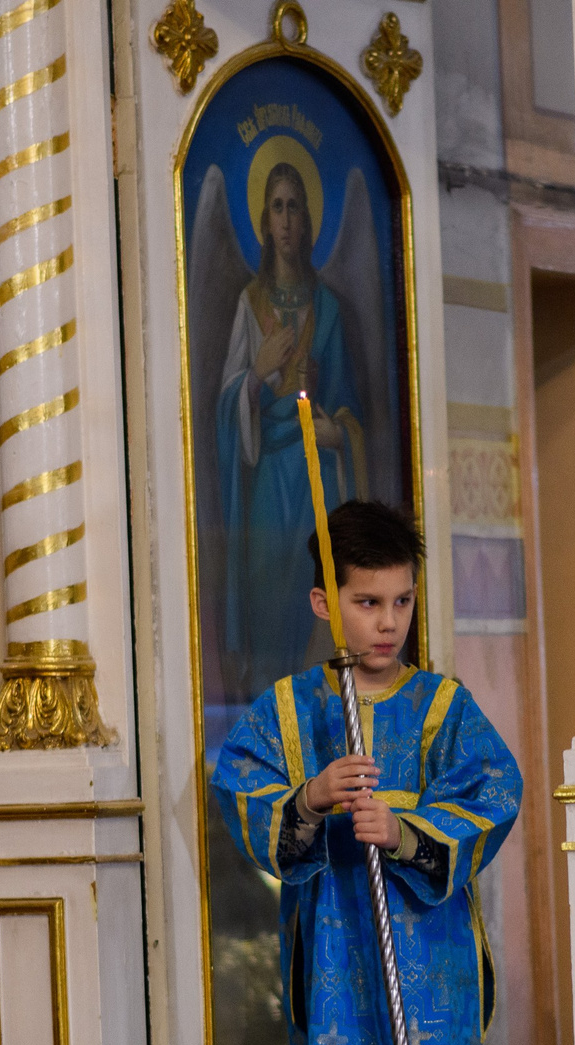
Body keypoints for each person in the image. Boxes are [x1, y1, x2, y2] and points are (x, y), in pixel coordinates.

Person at [209, 503, 521, 1045]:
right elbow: (244, 791)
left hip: (431, 965)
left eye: (401, 603)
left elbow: (495, 792)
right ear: (324, 601)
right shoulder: (291, 708)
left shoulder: (443, 706)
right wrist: (307, 797)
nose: (387, 623)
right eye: (367, 602)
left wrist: (410, 830)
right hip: (342, 964)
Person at [215, 159, 367, 703]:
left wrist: (339, 436)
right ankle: (268, 719)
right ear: (263, 221)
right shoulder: (248, 306)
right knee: (269, 598)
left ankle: (317, 715)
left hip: (316, 478)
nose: (285, 219)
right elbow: (227, 403)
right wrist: (255, 375)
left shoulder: (327, 309)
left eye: (294, 207)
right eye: (276, 207)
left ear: (307, 222)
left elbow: (349, 406)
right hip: (267, 481)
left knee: (313, 596)